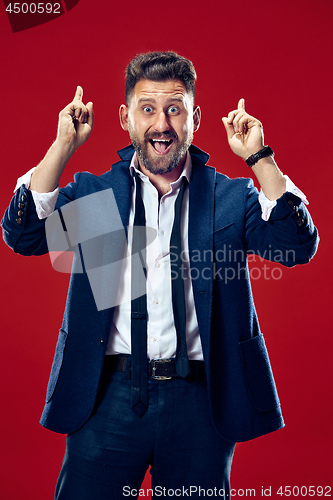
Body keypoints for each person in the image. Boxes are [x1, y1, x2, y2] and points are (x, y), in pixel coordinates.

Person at [2, 51, 318, 499]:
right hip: (106, 397)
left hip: (201, 401)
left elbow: (295, 245)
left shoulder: (229, 197)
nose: (161, 124)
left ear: (195, 117)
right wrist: (62, 147)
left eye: (175, 109)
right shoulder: (100, 194)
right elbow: (25, 234)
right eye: (147, 109)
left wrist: (260, 156)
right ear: (125, 117)